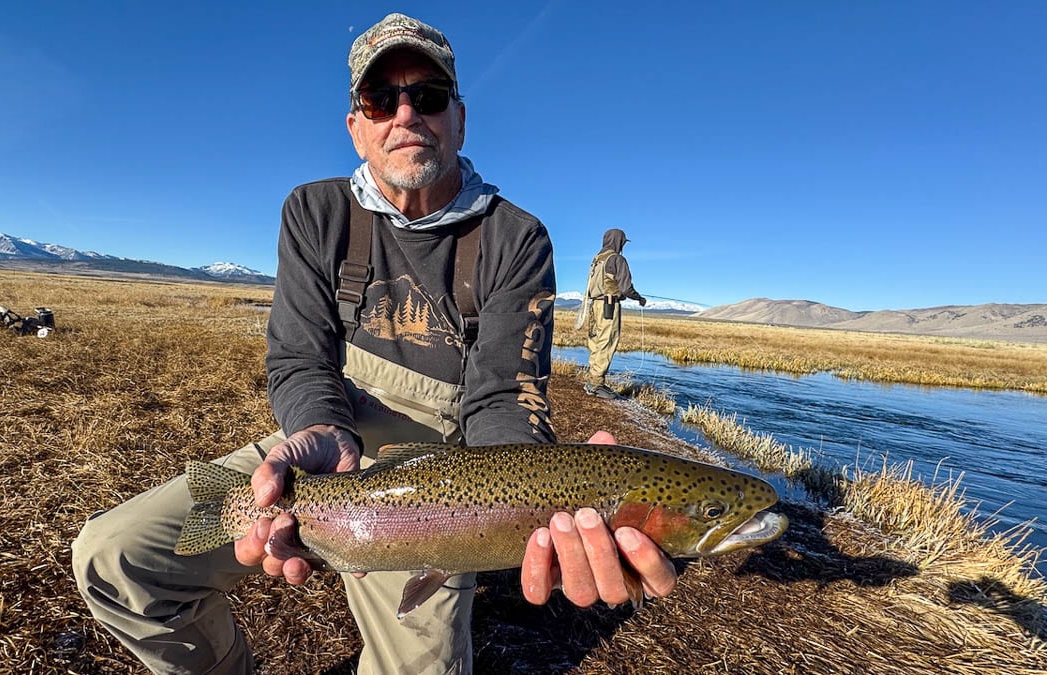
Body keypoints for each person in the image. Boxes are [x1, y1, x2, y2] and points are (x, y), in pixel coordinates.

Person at [72, 13, 676, 674]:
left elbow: (505, 392)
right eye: (381, 99)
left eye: (430, 96)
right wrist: (323, 430)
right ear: (356, 127)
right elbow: (301, 358)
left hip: (453, 476)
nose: (406, 112)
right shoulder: (315, 211)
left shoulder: (516, 237)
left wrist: (538, 494)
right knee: (113, 558)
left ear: (460, 120)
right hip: (332, 446)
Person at [579, 228, 647, 400]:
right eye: (623, 242)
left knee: (595, 341)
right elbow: (625, 288)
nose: (623, 245)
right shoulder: (617, 259)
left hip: (595, 305)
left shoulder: (597, 259)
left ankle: (593, 380)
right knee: (607, 341)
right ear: (619, 241)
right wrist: (639, 298)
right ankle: (596, 384)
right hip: (609, 306)